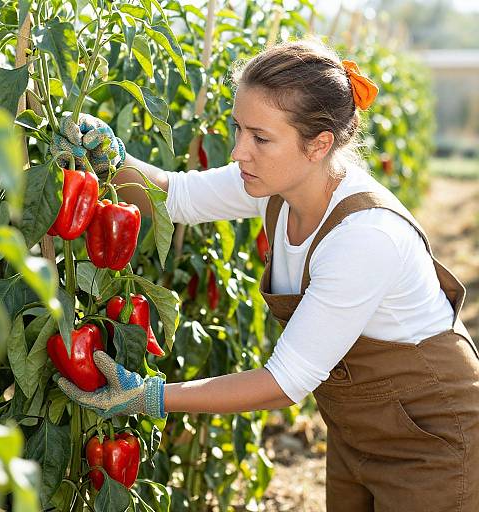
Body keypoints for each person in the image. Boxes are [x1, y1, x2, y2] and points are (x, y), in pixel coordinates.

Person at [53, 38, 479, 511]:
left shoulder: (364, 236)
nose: (238, 152)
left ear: (318, 145)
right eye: (239, 129)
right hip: (360, 428)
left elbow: (285, 382)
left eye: (260, 137)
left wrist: (150, 397)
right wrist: (112, 157)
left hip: (433, 438)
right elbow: (175, 197)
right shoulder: (278, 184)